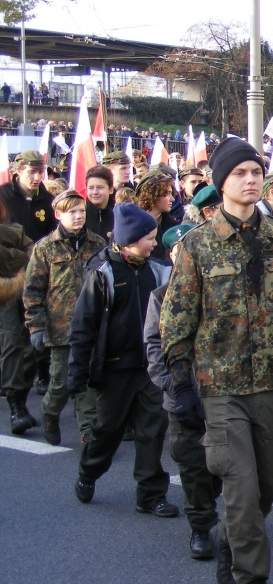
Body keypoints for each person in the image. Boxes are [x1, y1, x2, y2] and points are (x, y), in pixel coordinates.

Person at [160, 137, 273, 584]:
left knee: (268, 484)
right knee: (242, 491)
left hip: (272, 383)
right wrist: (180, 383)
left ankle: (230, 539)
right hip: (219, 386)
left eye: (256, 172)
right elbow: (177, 318)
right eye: (240, 172)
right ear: (221, 182)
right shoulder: (198, 244)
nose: (250, 179)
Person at [69, 203, 178, 519]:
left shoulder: (159, 270)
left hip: (150, 368)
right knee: (107, 431)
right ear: (130, 240)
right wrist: (77, 372)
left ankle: (151, 495)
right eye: (149, 238)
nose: (154, 244)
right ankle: (89, 471)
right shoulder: (101, 273)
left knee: (151, 431)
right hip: (115, 369)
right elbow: (83, 326)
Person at [144, 223, 223, 562]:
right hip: (183, 396)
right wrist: (174, 388)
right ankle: (201, 526)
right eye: (179, 252)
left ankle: (216, 507)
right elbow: (154, 346)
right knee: (192, 465)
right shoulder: (161, 296)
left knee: (222, 466)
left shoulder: (219, 290)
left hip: (221, 393)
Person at [22, 190, 106, 445]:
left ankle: (88, 432)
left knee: (87, 380)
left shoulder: (97, 244)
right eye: (72, 212)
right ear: (58, 215)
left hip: (90, 326)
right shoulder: (45, 247)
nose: (79, 216)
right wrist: (36, 327)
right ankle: (50, 411)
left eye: (81, 210)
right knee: (61, 383)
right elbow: (33, 290)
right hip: (60, 328)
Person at [0, 150, 55, 431]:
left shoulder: (46, 200)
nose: (36, 178)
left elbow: (52, 235)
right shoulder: (3, 197)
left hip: (40, 278)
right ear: (17, 171)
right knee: (13, 339)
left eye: (40, 172)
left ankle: (27, 387)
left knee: (36, 339)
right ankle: (16, 405)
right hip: (9, 278)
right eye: (31, 172)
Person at [0, 193, 35, 434]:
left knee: (26, 344)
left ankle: (19, 399)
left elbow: (31, 249)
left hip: (15, 288)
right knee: (12, 341)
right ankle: (15, 403)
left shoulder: (12, 230)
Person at [135, 170, 178, 259]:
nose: (172, 199)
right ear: (152, 194)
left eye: (171, 193)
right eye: (166, 194)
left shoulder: (174, 227)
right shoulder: (134, 228)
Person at [85, 166, 115, 241]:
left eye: (100, 187)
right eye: (91, 188)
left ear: (111, 189)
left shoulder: (118, 216)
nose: (95, 192)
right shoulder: (79, 216)